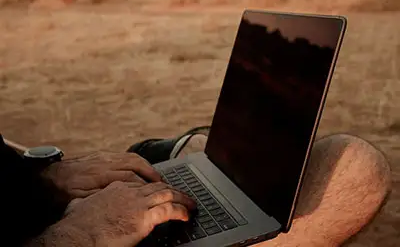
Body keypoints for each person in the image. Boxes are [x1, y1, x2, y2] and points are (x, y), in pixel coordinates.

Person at [0, 128, 391, 247]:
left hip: (39, 204)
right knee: (353, 168)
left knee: (200, 152)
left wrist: (43, 179)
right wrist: (82, 233)